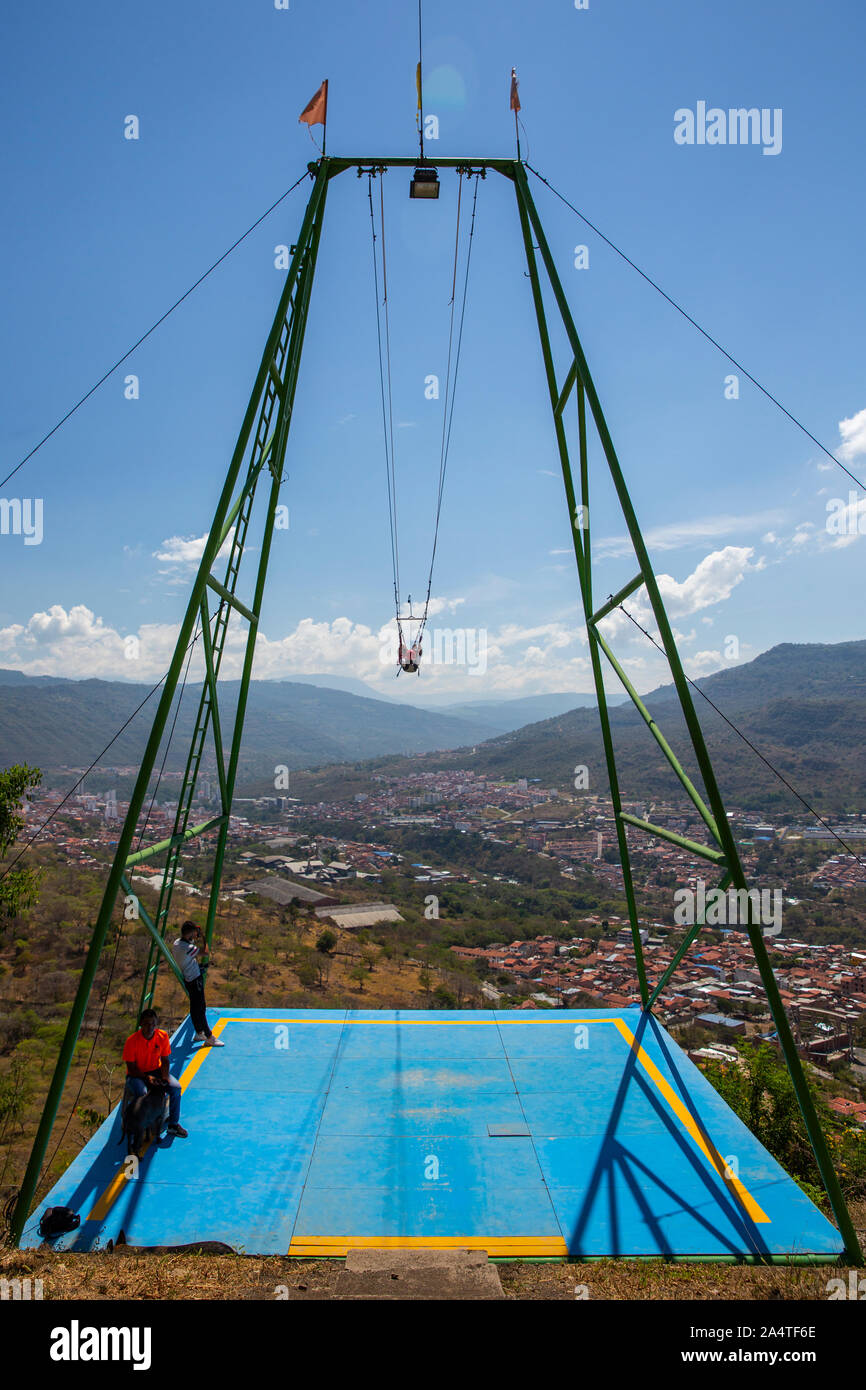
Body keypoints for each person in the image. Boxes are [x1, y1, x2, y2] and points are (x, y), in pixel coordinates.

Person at [122, 1007, 187, 1139]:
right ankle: (135, 1123)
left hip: (156, 1071)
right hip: (136, 1075)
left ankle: (173, 1125)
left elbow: (165, 1060)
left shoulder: (162, 1036)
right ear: (141, 1024)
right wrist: (147, 1078)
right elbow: (131, 1067)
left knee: (175, 1088)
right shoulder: (132, 1041)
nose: (150, 1027)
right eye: (146, 1024)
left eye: (153, 1023)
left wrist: (164, 1077)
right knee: (142, 1093)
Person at [172, 920, 224, 1047]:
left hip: (189, 978)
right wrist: (204, 939)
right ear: (190, 934)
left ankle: (199, 1032)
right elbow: (205, 952)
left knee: (195, 1007)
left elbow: (189, 944)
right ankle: (209, 1036)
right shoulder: (188, 948)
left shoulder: (177, 943)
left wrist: (194, 935)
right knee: (200, 1008)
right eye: (194, 933)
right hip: (194, 979)